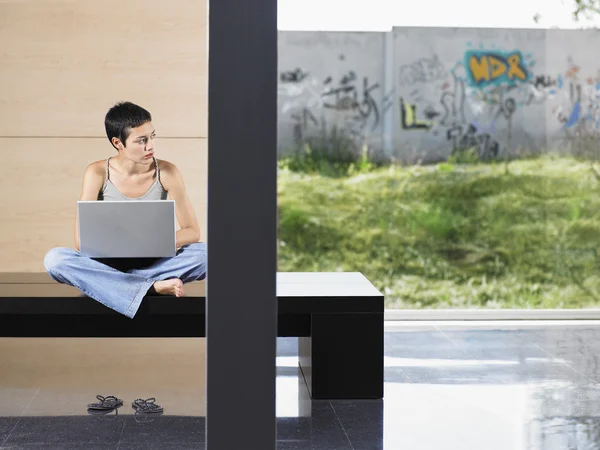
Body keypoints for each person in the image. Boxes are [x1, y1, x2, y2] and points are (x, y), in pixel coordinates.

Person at [43, 101, 206, 318]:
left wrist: (151, 242)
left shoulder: (167, 172)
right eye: (141, 141)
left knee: (210, 254)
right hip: (107, 263)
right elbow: (82, 242)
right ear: (118, 143)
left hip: (154, 262)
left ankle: (121, 285)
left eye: (151, 137)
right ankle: (151, 287)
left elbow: (192, 231)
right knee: (55, 259)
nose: (150, 146)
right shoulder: (97, 172)